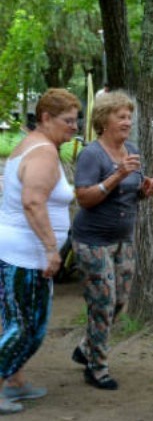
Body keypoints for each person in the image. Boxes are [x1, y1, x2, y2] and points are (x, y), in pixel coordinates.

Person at [0, 88, 80, 415]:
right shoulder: (44, 152)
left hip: (17, 248)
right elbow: (32, 202)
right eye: (68, 120)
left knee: (16, 322)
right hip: (26, 253)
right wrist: (51, 250)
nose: (74, 127)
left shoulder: (32, 145)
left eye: (76, 120)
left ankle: (15, 380)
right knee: (27, 327)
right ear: (46, 118)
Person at [70, 92, 153, 390]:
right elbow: (84, 198)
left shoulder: (131, 150)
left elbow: (131, 192)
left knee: (119, 301)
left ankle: (85, 348)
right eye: (121, 116)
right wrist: (118, 175)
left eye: (129, 117)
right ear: (104, 120)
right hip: (93, 241)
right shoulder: (92, 154)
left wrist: (145, 189)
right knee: (103, 303)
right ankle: (97, 368)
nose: (127, 122)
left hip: (123, 240)